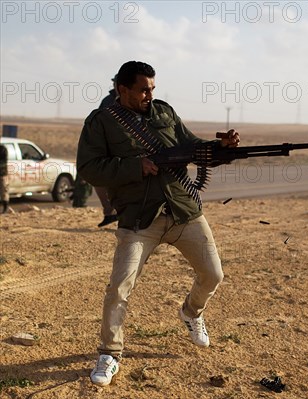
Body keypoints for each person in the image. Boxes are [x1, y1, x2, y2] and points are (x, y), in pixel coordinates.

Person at [77, 61, 240, 387]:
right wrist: (135, 167)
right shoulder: (101, 122)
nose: (150, 95)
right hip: (139, 218)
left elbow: (193, 147)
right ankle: (110, 353)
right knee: (119, 287)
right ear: (122, 90)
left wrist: (221, 149)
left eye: (152, 88)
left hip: (183, 210)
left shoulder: (163, 113)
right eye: (143, 89)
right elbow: (89, 168)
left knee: (213, 274)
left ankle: (191, 312)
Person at [95, 75, 119, 227]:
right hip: (107, 146)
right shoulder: (107, 101)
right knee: (98, 179)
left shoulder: (134, 99)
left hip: (125, 148)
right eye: (115, 82)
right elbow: (98, 121)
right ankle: (109, 212)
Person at [0, 144, 9, 214]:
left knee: (4, 192)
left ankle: (5, 208)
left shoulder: (2, 149)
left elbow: (3, 162)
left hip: (2, 173)